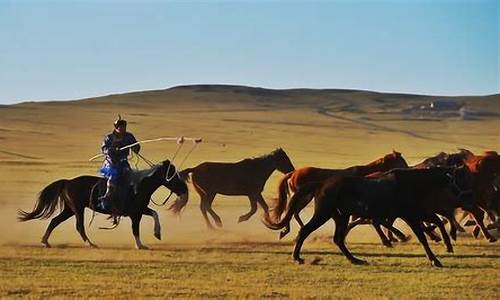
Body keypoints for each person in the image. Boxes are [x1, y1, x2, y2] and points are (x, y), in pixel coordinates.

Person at [98, 115, 141, 211]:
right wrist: (112, 150)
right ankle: (107, 196)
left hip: (123, 162)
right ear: (116, 128)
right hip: (111, 163)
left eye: (124, 127)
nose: (123, 129)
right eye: (120, 127)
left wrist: (135, 148)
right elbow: (104, 149)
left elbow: (136, 146)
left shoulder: (129, 136)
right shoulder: (109, 138)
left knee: (132, 177)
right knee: (113, 178)